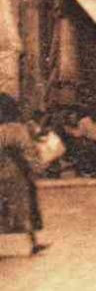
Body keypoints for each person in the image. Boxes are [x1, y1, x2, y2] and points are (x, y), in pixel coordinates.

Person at [0, 94, 46, 256]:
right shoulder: (18, 129)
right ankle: (33, 243)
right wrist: (37, 168)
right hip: (16, 173)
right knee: (23, 207)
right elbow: (28, 152)